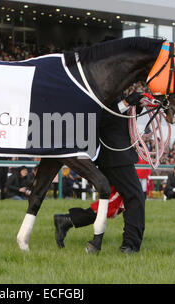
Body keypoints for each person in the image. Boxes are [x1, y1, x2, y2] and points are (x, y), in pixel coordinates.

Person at [53, 91, 146, 254]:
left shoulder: (114, 88)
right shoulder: (102, 90)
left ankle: (68, 220)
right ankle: (130, 245)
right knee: (134, 196)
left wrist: (135, 107)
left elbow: (120, 120)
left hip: (116, 153)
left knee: (116, 201)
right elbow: (101, 120)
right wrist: (126, 103)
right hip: (113, 154)